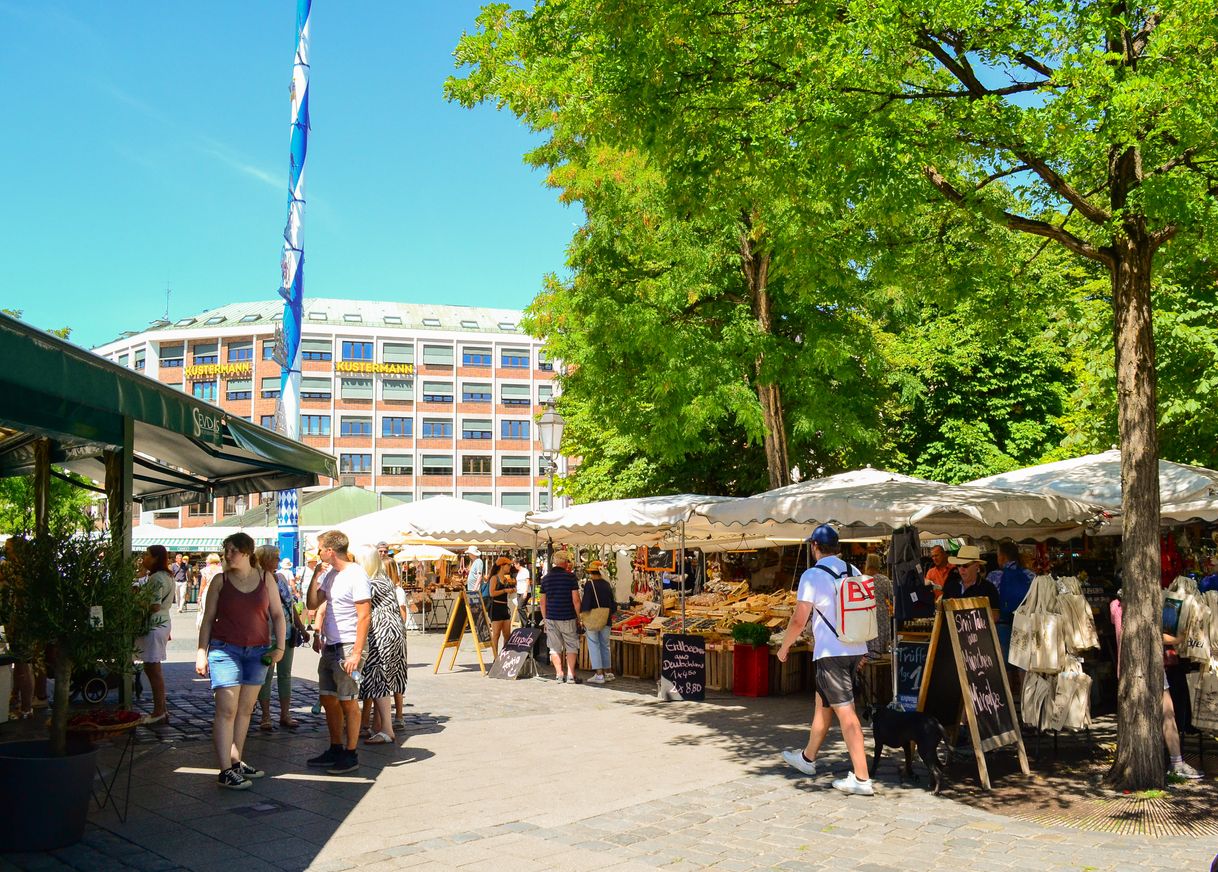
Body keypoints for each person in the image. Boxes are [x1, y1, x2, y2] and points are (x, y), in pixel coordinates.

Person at [778, 524, 873, 796]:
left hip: (832, 653)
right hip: (854, 648)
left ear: (815, 547)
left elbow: (799, 619)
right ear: (838, 548)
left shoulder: (812, 575)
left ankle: (862, 778)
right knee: (823, 705)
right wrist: (863, 648)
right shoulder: (853, 571)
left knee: (847, 713)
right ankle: (807, 758)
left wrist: (785, 647)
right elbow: (863, 611)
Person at [196, 532, 285, 790]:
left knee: (246, 710)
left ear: (247, 552)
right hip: (225, 650)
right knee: (226, 709)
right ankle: (225, 770)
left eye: (234, 550)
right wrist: (201, 651)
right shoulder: (219, 581)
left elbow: (278, 615)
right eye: (226, 550)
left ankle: (236, 761)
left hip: (257, 652)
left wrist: (279, 646)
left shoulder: (266, 578)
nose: (228, 554)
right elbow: (208, 619)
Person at [1110, 595, 1202, 779]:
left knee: (1144, 715)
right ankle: (1176, 762)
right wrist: (1179, 638)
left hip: (1129, 669)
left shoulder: (1115, 607)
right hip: (1151, 667)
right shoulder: (1142, 605)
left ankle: (1149, 761)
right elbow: (1154, 634)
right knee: (1167, 713)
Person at [306, 530, 372, 775]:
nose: (317, 552)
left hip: (347, 645)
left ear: (330, 551)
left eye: (320, 548)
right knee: (328, 698)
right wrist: (315, 576)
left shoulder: (356, 574)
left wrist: (356, 653)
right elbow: (312, 604)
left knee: (348, 700)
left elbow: (364, 615)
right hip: (330, 645)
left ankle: (351, 752)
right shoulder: (330, 574)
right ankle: (335, 747)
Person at [355, 546, 408, 746]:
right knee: (386, 678)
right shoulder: (384, 578)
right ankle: (379, 725)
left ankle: (386, 728)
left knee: (378, 678)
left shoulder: (371, 583)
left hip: (380, 633)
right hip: (395, 633)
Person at [256, 545, 307, 732]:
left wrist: (301, 627)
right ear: (265, 559)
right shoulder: (257, 579)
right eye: (275, 557)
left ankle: (285, 714)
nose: (278, 560)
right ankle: (266, 715)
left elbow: (290, 604)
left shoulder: (282, 578)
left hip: (286, 632)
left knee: (285, 674)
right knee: (266, 675)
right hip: (266, 635)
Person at [135, 544, 175, 724]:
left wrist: (136, 600)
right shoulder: (166, 576)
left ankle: (159, 710)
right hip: (162, 623)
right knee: (152, 667)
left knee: (152, 668)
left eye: (147, 555)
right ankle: (162, 709)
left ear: (156, 558)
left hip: (154, 624)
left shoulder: (157, 578)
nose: (144, 558)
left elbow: (154, 605)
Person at [540, 551, 582, 684]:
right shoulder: (570, 577)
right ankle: (570, 675)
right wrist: (578, 616)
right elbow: (576, 600)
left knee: (554, 646)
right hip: (567, 616)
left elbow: (542, 602)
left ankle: (559, 674)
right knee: (571, 645)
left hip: (551, 617)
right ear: (564, 562)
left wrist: (545, 618)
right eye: (568, 561)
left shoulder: (546, 579)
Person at [580, 561, 617, 684]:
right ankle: (607, 672)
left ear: (591, 572)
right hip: (606, 619)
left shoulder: (590, 585)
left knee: (594, 644)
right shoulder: (607, 584)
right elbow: (613, 603)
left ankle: (599, 675)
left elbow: (586, 603)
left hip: (593, 618)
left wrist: (582, 616)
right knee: (605, 645)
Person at [941, 544, 1000, 616]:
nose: (961, 569)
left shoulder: (988, 588)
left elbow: (995, 616)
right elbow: (942, 614)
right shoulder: (951, 587)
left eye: (965, 565)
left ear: (976, 566)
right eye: (959, 565)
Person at [863, 553, 893, 661]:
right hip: (881, 612)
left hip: (865, 611)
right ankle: (880, 652)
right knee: (880, 634)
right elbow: (892, 597)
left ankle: (868, 654)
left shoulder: (862, 580)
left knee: (868, 634)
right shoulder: (884, 580)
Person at [488, 556, 515, 656]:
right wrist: (505, 590)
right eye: (508, 565)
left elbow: (506, 593)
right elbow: (492, 593)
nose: (509, 567)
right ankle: (495, 657)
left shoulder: (506, 579)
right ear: (502, 566)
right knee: (496, 635)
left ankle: (504, 656)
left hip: (504, 607)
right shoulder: (494, 578)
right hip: (496, 607)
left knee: (507, 634)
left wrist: (511, 590)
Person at [514, 556, 532, 624]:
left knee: (520, 607)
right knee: (520, 607)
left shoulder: (525, 571)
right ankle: (523, 623)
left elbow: (527, 581)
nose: (514, 566)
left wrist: (526, 592)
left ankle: (526, 623)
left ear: (518, 564)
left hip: (524, 592)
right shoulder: (519, 572)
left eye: (515, 564)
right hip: (519, 592)